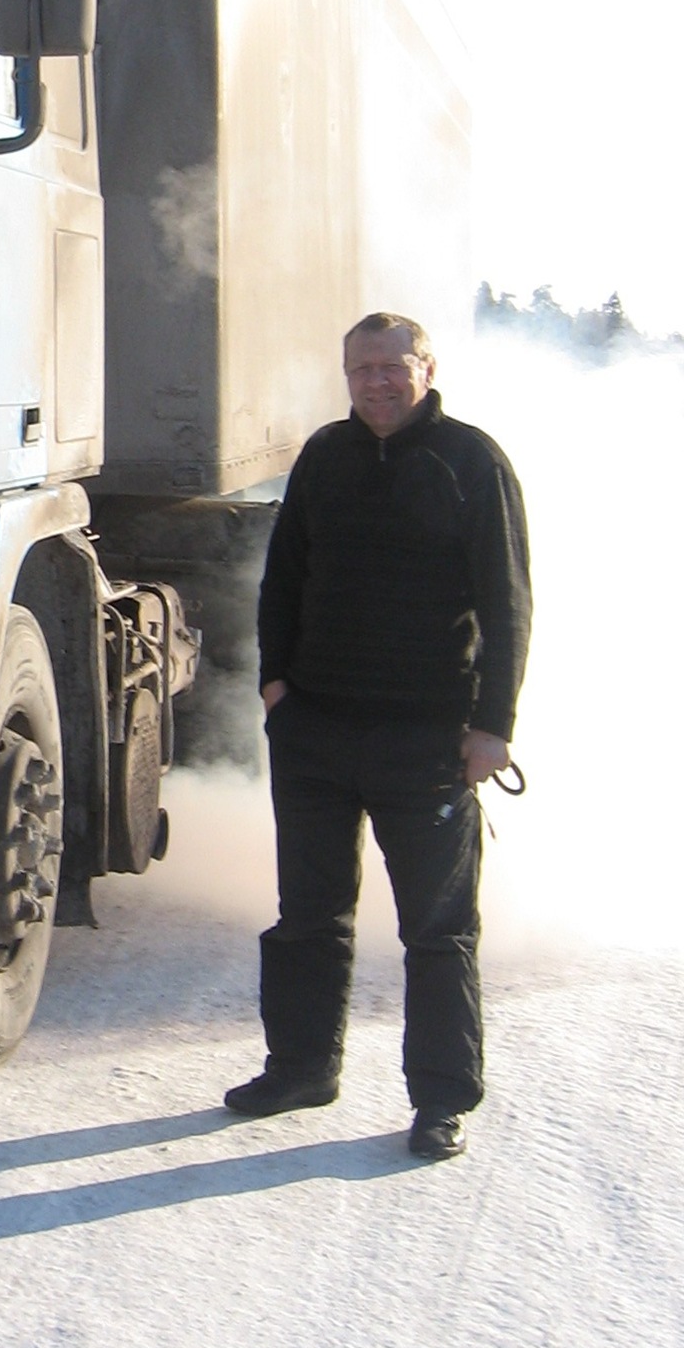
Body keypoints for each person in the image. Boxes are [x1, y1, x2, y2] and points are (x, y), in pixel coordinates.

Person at [224, 312, 531, 1160]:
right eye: (362, 368)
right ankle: (300, 1069)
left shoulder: (470, 461)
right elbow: (281, 579)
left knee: (437, 932)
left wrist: (491, 729)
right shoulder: (324, 455)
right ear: (346, 374)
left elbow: (506, 605)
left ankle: (440, 1101)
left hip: (427, 741)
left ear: (426, 370)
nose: (377, 382)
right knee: (306, 917)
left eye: (393, 367)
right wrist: (277, 687)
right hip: (317, 731)